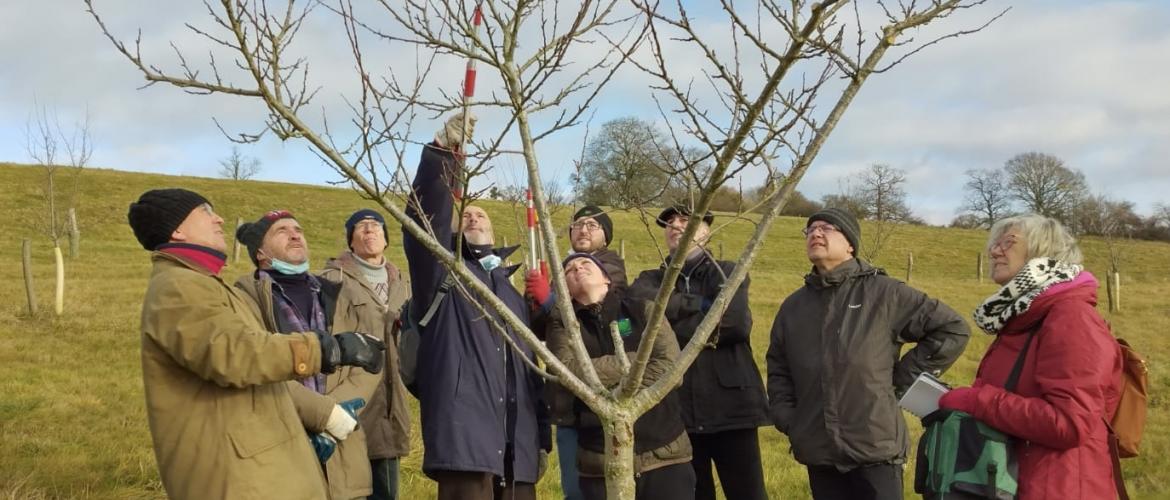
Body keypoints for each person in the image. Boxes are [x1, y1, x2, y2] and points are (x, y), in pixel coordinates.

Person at [126, 189, 385, 500]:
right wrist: (327, 348)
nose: (219, 218)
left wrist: (325, 416)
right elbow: (237, 355)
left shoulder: (203, 284)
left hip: (270, 467)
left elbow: (259, 373)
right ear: (178, 230)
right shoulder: (179, 287)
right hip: (240, 478)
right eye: (207, 211)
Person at [766, 207, 970, 500]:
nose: (815, 233)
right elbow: (778, 367)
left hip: (875, 444)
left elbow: (952, 328)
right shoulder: (793, 307)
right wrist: (788, 418)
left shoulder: (885, 293)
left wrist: (900, 380)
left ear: (850, 243)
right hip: (818, 447)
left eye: (826, 228)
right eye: (810, 230)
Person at [403, 113, 550, 500]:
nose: (472, 216)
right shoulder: (443, 272)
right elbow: (422, 222)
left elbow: (534, 370)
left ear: (493, 229)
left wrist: (542, 437)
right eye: (464, 213)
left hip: (519, 451)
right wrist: (441, 156)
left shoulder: (514, 292)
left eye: (480, 214)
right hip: (464, 446)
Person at [937, 214, 1123, 499]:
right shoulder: (1025, 317)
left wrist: (977, 401)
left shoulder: (1071, 317)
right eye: (994, 243)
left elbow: (1070, 423)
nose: (994, 251)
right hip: (1020, 481)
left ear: (1042, 251)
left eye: (1007, 242)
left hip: (1060, 488)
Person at [233, 209, 378, 500]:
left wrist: (335, 418)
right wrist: (322, 416)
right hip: (284, 446)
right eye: (281, 231)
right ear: (260, 252)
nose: (295, 234)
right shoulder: (243, 298)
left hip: (344, 454)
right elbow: (255, 368)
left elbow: (368, 360)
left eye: (298, 229)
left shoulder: (339, 293)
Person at [628, 205, 769, 500]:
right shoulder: (649, 279)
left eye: (686, 220)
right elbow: (642, 324)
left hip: (732, 405)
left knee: (748, 493)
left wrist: (667, 324)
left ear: (706, 231)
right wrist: (701, 305)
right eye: (669, 222)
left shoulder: (728, 271)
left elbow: (734, 324)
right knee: (696, 492)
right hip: (679, 411)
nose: (675, 226)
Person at [546, 253, 694, 500]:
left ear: (606, 279)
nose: (577, 269)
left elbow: (671, 369)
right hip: (599, 461)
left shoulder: (644, 310)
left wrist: (598, 381)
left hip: (664, 454)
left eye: (585, 264)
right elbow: (566, 373)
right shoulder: (562, 325)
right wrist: (634, 362)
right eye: (569, 270)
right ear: (565, 288)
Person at [525, 205, 629, 500]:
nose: (584, 229)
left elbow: (597, 302)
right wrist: (533, 302)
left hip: (606, 397)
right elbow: (538, 330)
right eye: (578, 225)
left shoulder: (611, 266)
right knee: (575, 488)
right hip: (567, 404)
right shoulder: (561, 270)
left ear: (606, 236)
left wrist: (549, 301)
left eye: (593, 225)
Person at [320, 209, 413, 500]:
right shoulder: (331, 278)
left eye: (376, 226)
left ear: (385, 239)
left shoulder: (405, 283)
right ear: (351, 240)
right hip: (350, 399)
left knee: (387, 487)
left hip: (392, 402)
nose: (370, 231)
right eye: (361, 227)